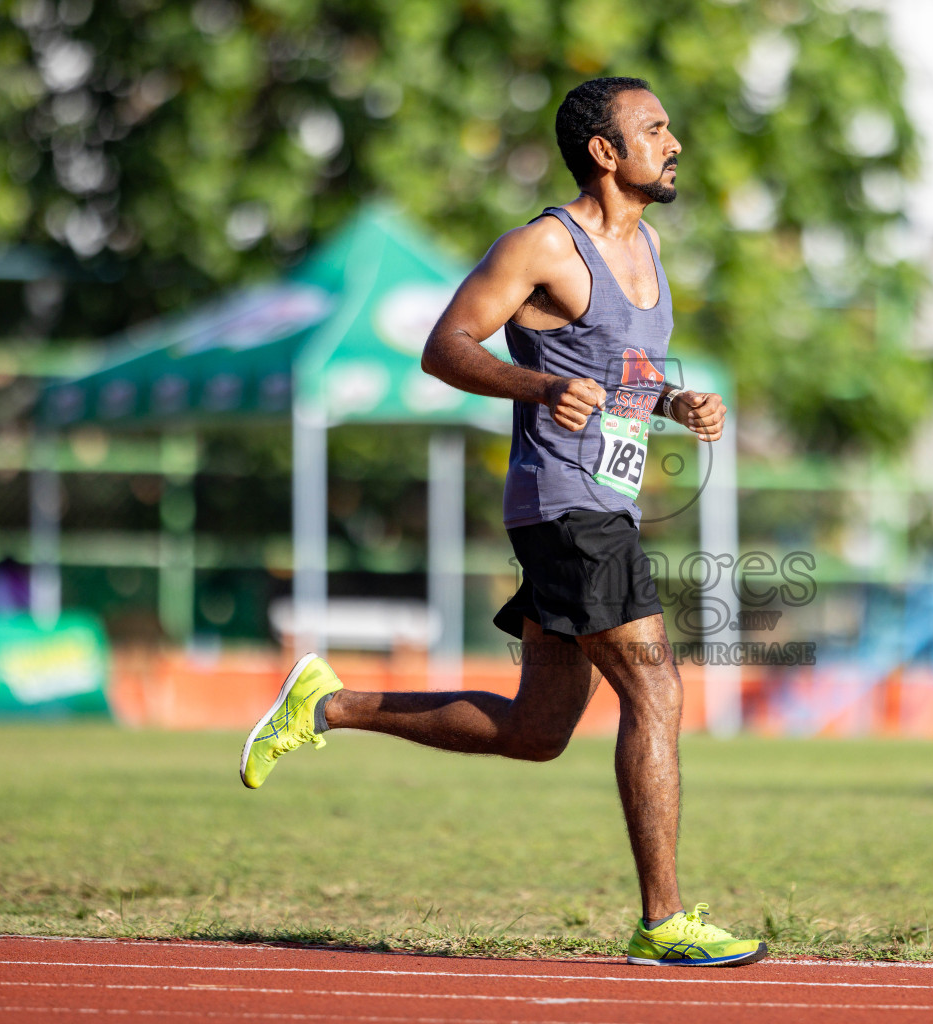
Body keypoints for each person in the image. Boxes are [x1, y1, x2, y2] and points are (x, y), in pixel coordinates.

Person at [239, 77, 767, 968]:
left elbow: (619, 371)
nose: (675, 143)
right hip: (567, 505)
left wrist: (672, 400)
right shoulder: (543, 247)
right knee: (657, 693)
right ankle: (664, 921)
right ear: (605, 151)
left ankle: (327, 703)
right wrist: (539, 385)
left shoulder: (649, 248)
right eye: (655, 128)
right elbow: (445, 345)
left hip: (603, 502)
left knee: (538, 732)